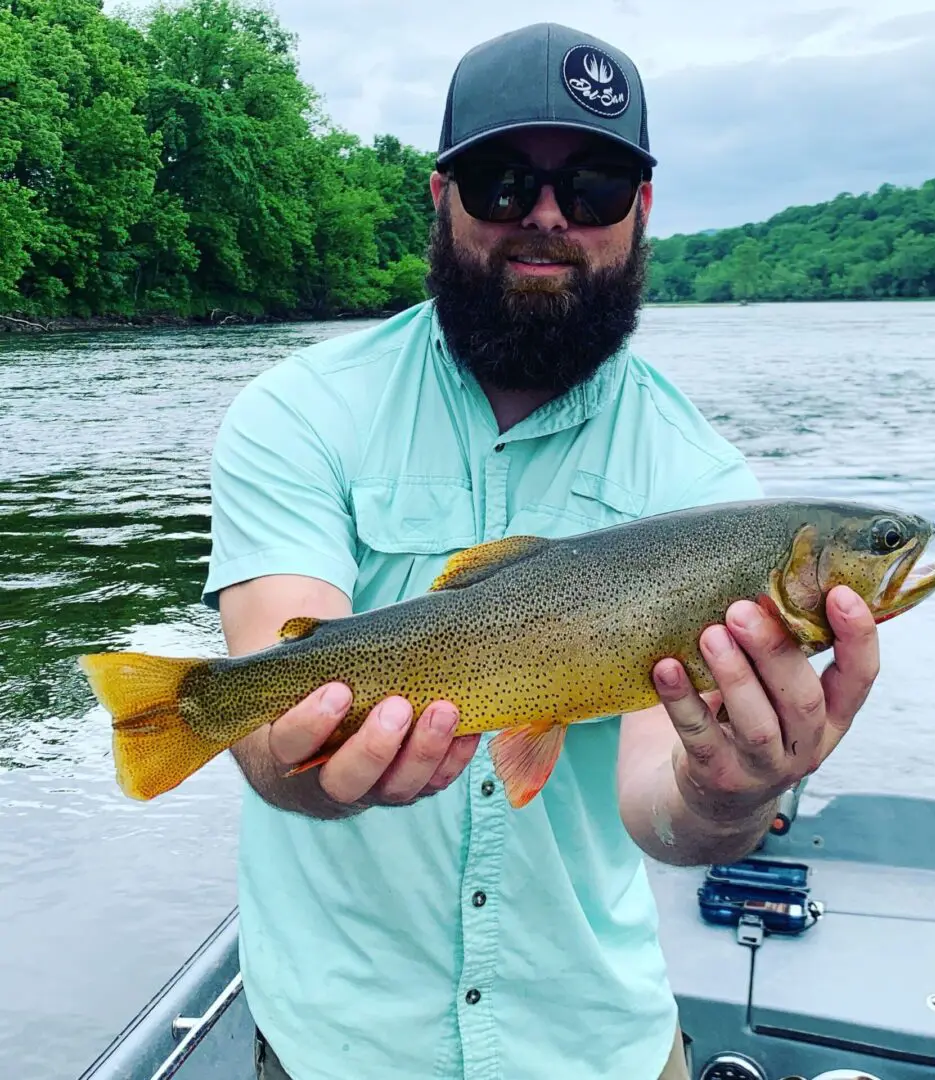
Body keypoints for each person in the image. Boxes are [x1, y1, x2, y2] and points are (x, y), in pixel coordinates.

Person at [202, 22, 881, 1080]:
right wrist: (295, 755)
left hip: (593, 1046)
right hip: (337, 1045)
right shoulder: (297, 413)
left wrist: (730, 793)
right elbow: (265, 695)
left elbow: (662, 805)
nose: (549, 218)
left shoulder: (704, 485)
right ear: (441, 198)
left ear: (642, 214)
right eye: (504, 182)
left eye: (597, 186)